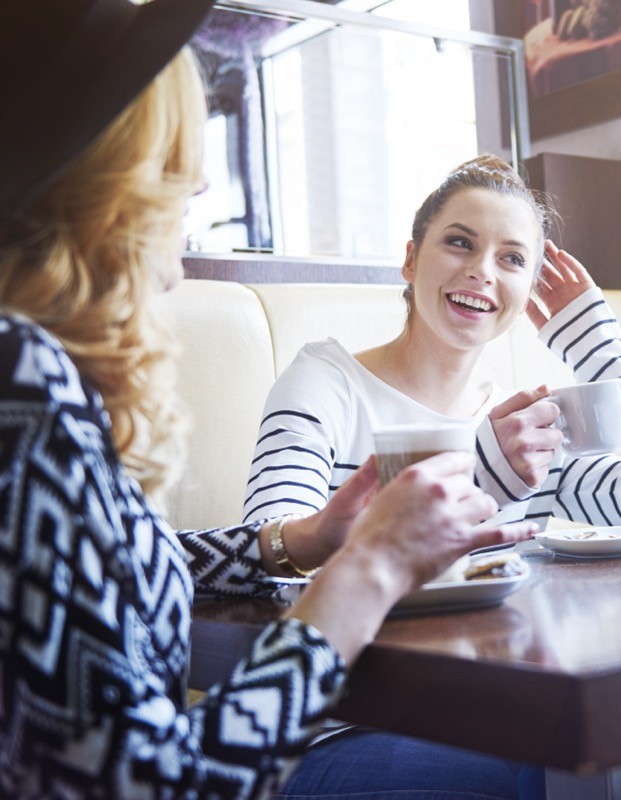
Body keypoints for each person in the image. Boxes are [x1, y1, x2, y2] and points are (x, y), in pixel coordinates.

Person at [0, 2, 542, 797]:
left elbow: (105, 572)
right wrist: (369, 567)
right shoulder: (20, 381)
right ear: (96, 177)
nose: (207, 180)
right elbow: (147, 785)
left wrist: (303, 540)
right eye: (172, 153)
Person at [241, 156, 621, 563]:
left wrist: (595, 343)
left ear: (529, 289)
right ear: (411, 260)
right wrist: (484, 473)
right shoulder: (324, 387)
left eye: (511, 259)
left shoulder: (520, 433)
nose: (481, 271)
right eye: (460, 243)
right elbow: (269, 556)